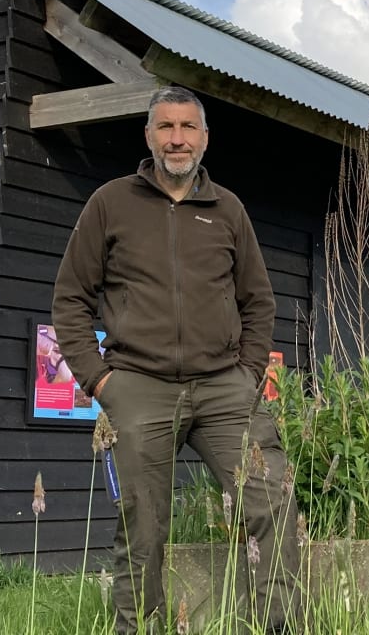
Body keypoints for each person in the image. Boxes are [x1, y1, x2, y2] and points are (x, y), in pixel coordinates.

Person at [52, 86, 301, 633]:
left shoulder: (228, 209)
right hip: (137, 384)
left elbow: (258, 300)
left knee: (272, 507)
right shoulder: (110, 203)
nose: (177, 138)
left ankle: (276, 626)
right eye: (166, 127)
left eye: (188, 127)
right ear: (148, 136)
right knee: (142, 527)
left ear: (205, 138)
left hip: (223, 388)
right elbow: (70, 299)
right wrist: (100, 382)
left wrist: (248, 375)